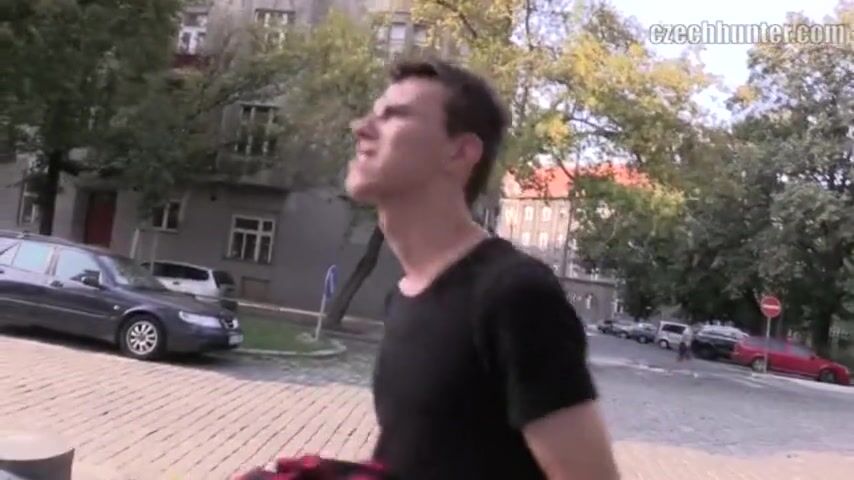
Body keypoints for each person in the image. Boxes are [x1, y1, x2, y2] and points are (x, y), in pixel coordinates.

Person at [345, 58, 620, 480]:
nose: (361, 128)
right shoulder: (405, 294)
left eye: (395, 115)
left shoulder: (515, 295)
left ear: (460, 152)